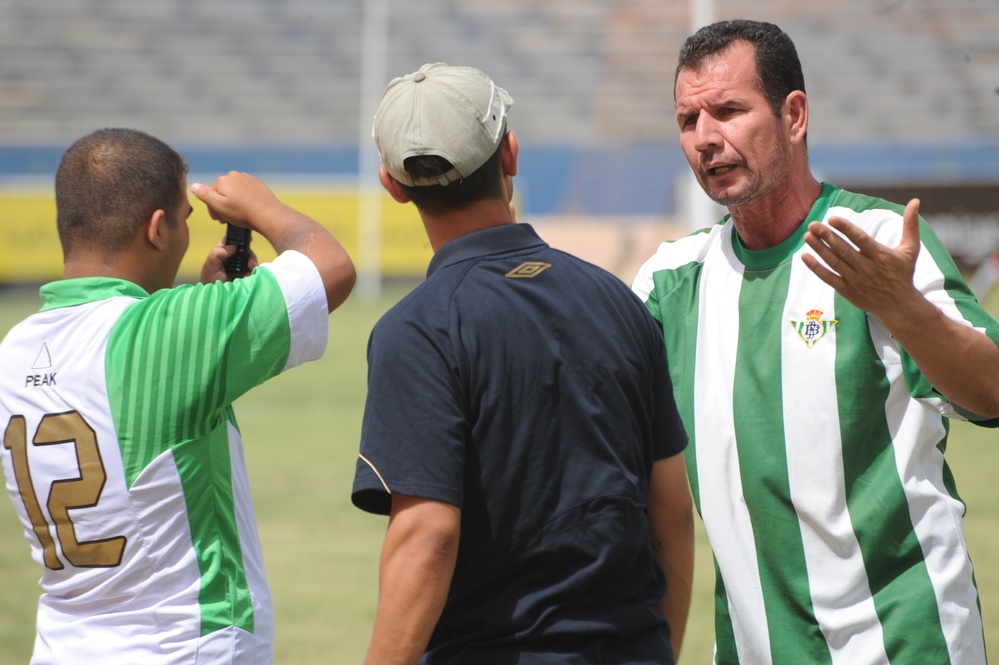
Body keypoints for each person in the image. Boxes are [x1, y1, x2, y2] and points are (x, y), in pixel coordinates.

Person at [632, 19, 999, 665]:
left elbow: (992, 393)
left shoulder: (877, 238)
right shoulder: (669, 281)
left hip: (904, 643)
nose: (705, 139)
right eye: (688, 119)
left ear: (793, 114)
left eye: (728, 111)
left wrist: (902, 308)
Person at [351, 63, 694, 665]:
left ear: (393, 184)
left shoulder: (417, 330)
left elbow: (426, 537)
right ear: (510, 154)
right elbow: (672, 514)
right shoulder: (616, 299)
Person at [0, 128, 355, 664]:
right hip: (182, 646)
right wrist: (262, 207)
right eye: (186, 220)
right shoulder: (165, 333)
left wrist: (189, 305)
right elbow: (329, 268)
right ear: (158, 228)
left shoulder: (15, 350)